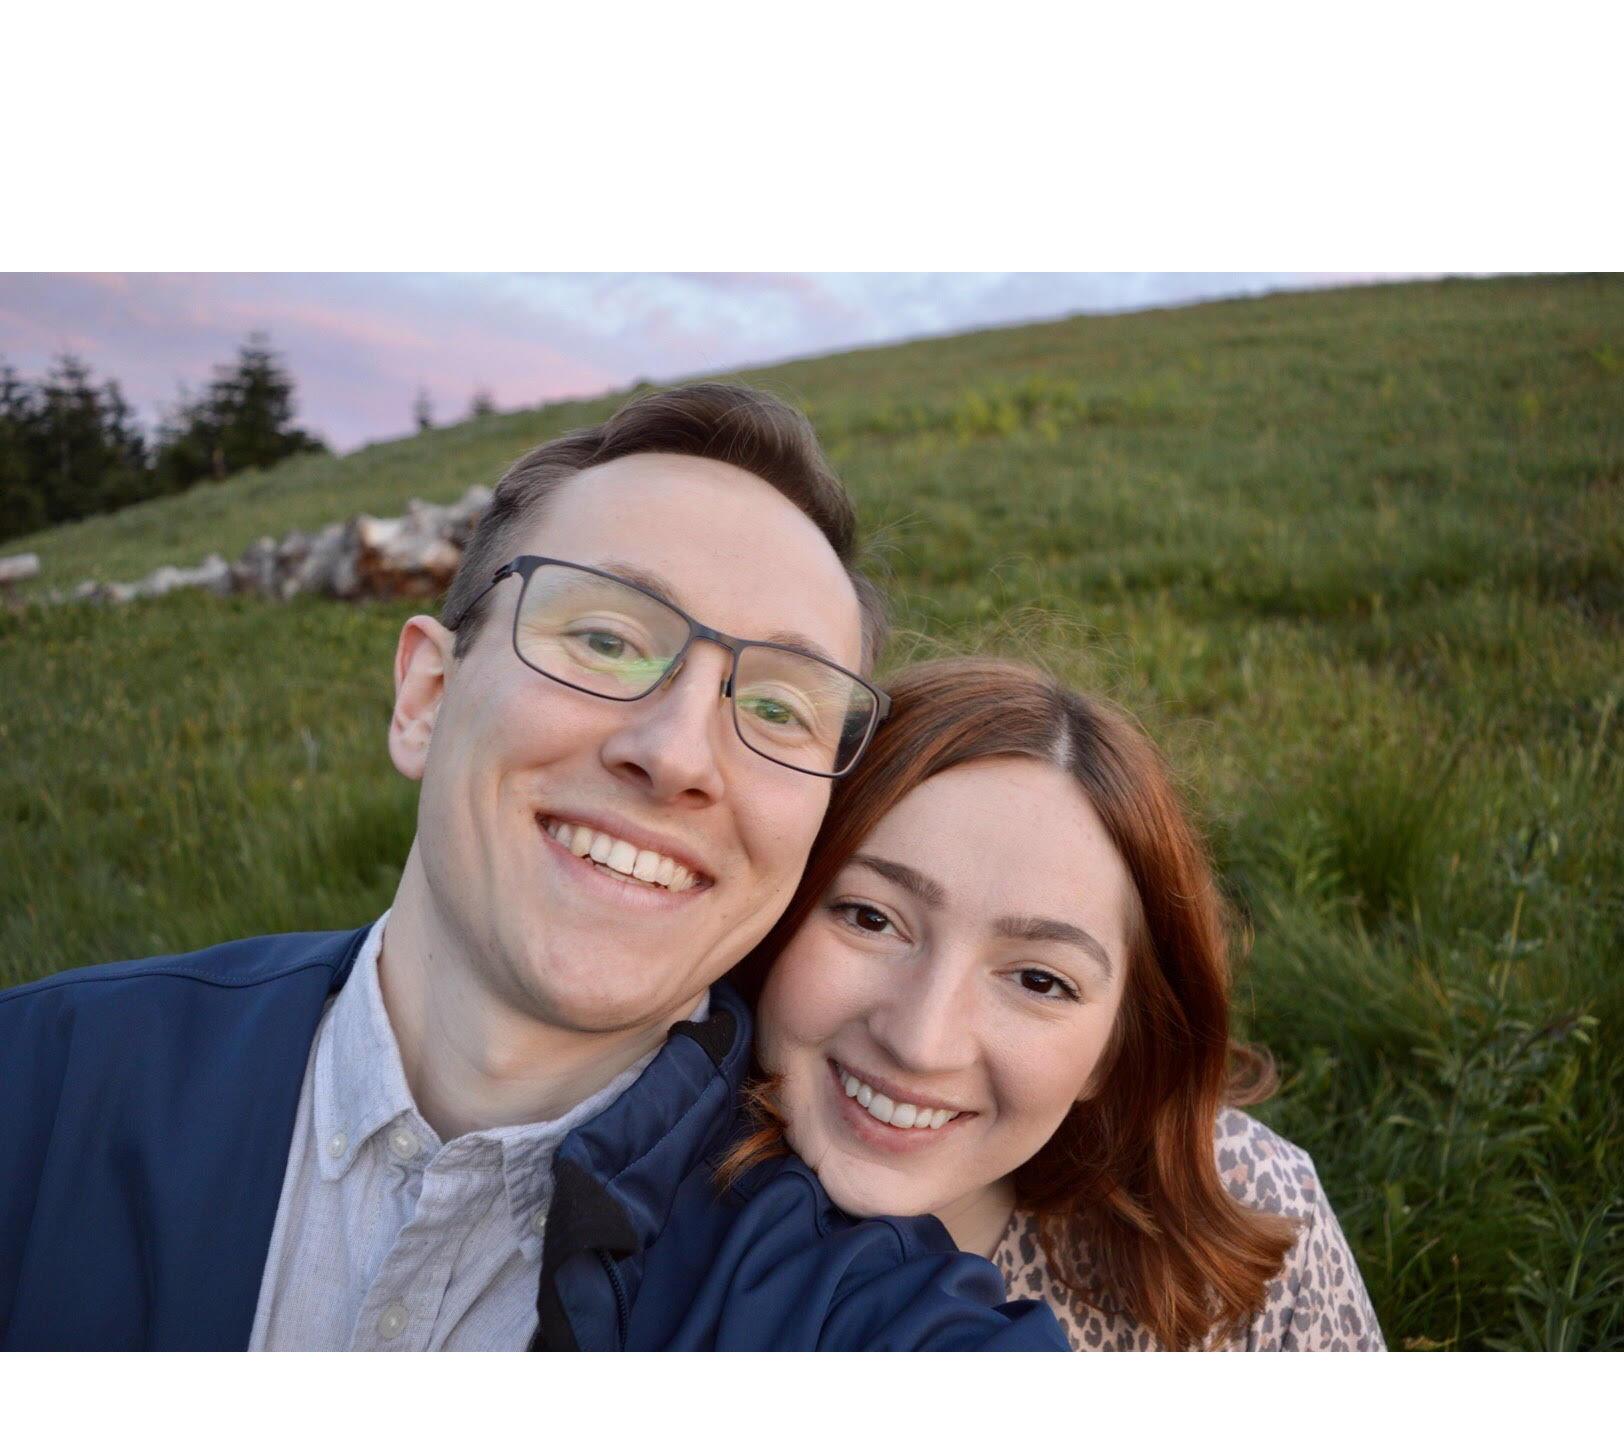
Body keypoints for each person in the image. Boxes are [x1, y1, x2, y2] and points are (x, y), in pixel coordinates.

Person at [0, 386, 1063, 1352]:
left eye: (779, 706)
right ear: (424, 695)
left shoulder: (866, 1321)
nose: (679, 754)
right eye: (604, 638)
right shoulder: (40, 1083)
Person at [726, 657, 1385, 1351]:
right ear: (777, 908)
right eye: (871, 918)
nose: (921, 1041)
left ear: (1115, 1047)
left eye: (1039, 981)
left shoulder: (1255, 1214)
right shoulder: (622, 1220)